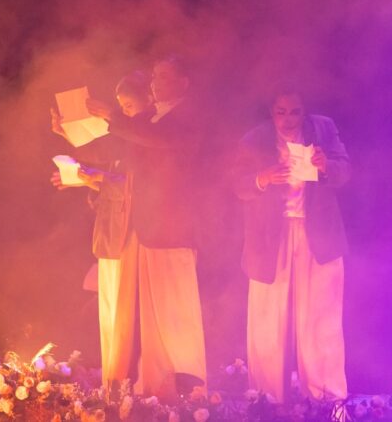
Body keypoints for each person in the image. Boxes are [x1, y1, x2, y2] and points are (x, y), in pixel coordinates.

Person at [85, 55, 207, 399]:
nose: (155, 83)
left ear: (184, 82)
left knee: (176, 313)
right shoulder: (153, 118)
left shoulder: (187, 116)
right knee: (153, 319)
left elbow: (159, 140)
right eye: (154, 76)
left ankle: (191, 392)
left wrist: (112, 116)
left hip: (174, 225)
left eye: (165, 76)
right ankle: (159, 388)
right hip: (149, 225)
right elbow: (127, 152)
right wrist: (78, 134)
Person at [232, 86, 351, 401]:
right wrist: (262, 178)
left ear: (304, 110)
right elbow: (237, 184)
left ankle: (327, 398)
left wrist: (326, 166)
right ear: (272, 112)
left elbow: (344, 171)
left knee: (321, 319)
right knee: (267, 320)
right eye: (280, 112)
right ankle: (266, 398)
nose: (287, 119)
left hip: (318, 235)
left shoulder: (322, 129)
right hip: (271, 238)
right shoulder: (255, 139)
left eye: (294, 111)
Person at [50, 71, 153, 387]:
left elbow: (133, 182)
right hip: (112, 229)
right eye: (120, 105)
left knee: (125, 309)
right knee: (110, 307)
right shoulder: (125, 134)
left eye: (130, 104)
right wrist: (67, 141)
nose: (124, 111)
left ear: (148, 100)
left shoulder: (148, 133)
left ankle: (124, 379)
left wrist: (94, 178)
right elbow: (105, 161)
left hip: (133, 230)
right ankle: (114, 377)